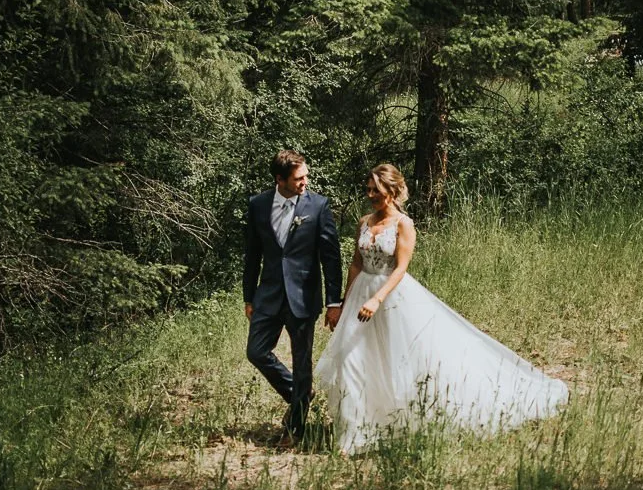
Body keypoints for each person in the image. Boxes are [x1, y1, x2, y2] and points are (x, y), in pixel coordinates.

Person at [315, 164, 568, 454]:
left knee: (397, 360)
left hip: (390, 296)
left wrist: (378, 298)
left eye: (377, 190)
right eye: (369, 189)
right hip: (361, 293)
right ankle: (356, 430)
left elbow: (401, 268)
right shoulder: (364, 222)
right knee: (352, 358)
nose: (371, 195)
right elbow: (357, 263)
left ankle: (399, 422)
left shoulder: (403, 224)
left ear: (392, 191)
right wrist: (347, 302)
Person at [243, 149, 342, 446]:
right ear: (280, 179)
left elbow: (331, 258)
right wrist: (249, 296)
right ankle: (301, 394)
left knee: (302, 363)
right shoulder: (258, 205)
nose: (305, 182)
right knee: (256, 351)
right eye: (299, 178)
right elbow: (252, 255)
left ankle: (295, 430)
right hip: (269, 295)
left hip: (303, 296)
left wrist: (333, 301)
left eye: (306, 176)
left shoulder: (319, 206)